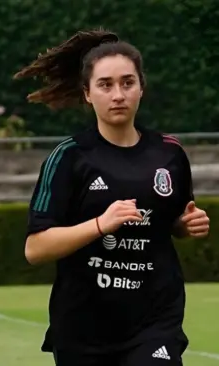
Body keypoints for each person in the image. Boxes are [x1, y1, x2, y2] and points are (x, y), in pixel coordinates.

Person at [15, 29, 210, 366]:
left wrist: (184, 223)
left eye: (127, 83)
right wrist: (100, 225)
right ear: (87, 93)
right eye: (105, 85)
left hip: (154, 321)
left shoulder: (170, 154)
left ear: (141, 88)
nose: (118, 94)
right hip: (83, 328)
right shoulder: (69, 158)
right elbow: (35, 249)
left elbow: (170, 221)